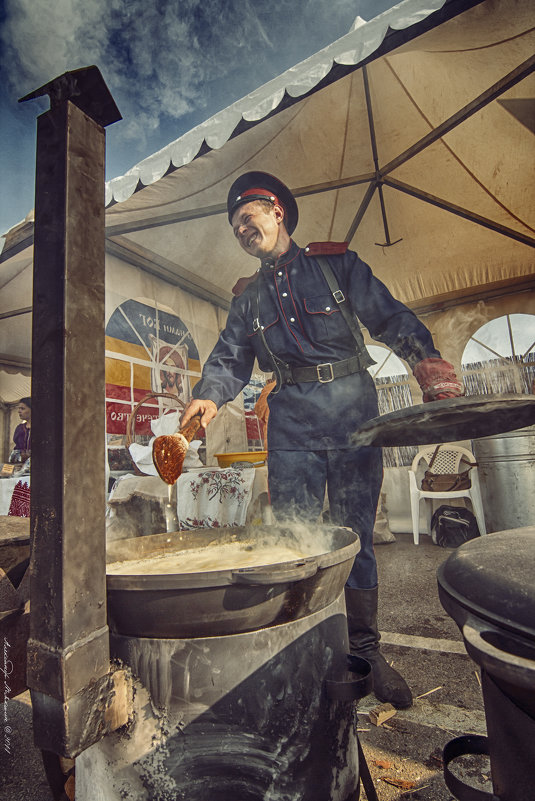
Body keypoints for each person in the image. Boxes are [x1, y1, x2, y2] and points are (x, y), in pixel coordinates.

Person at [181, 172, 463, 709]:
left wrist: (426, 362)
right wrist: (208, 396)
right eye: (235, 226)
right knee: (296, 539)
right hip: (290, 427)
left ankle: (366, 651)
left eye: (249, 218)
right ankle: (307, 649)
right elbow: (227, 361)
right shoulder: (247, 300)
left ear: (277, 212)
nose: (242, 230)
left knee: (354, 536)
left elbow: (389, 316)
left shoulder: (336, 265)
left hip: (354, 417)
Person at [11, 396, 32, 463]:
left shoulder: (42, 428)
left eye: (22, 409)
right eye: (19, 408)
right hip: (20, 465)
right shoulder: (20, 428)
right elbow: (16, 449)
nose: (19, 411)